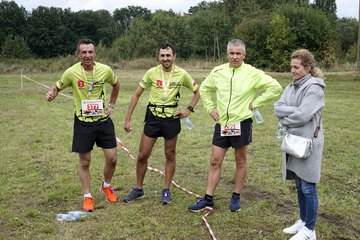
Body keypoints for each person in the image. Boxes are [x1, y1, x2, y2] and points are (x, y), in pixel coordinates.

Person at [188, 39, 282, 212]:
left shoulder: (252, 73)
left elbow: (275, 87)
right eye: (232, 53)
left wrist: (256, 103)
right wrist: (210, 107)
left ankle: (236, 196)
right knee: (215, 160)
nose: (235, 57)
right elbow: (205, 88)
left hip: (242, 122)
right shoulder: (218, 71)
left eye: (238, 53)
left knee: (240, 160)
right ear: (227, 54)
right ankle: (208, 198)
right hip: (223, 123)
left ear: (244, 55)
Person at [46, 39, 120, 212]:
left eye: (90, 52)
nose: (87, 55)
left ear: (95, 53)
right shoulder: (71, 72)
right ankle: (87, 197)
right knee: (85, 162)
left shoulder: (105, 70)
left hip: (103, 121)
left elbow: (116, 85)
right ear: (78, 54)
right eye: (84, 52)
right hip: (83, 123)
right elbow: (57, 86)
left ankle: (106, 186)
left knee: (112, 158)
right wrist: (52, 93)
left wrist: (111, 105)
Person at [123, 43, 200, 205]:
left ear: (174, 56)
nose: (165, 58)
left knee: (170, 154)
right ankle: (138, 189)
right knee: (143, 154)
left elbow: (197, 91)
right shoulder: (151, 73)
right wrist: (128, 118)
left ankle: (166, 190)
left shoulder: (182, 74)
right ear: (159, 57)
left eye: (168, 55)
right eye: (162, 56)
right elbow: (136, 94)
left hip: (171, 118)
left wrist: (188, 110)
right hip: (153, 117)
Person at [274, 49, 325, 240]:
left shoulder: (314, 88)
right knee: (299, 183)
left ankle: (310, 230)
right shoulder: (290, 86)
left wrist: (285, 119)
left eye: (296, 67)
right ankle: (303, 221)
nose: (293, 71)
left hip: (309, 143)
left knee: (308, 186)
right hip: (294, 141)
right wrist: (294, 111)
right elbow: (277, 108)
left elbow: (304, 115)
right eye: (291, 67)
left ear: (308, 68)